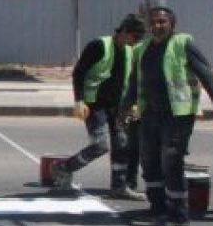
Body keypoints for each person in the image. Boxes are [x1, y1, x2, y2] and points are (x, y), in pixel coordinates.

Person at [123, 6, 213, 226]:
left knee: (171, 162)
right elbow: (135, 82)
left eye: (162, 22)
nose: (157, 26)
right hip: (149, 113)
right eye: (153, 22)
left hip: (178, 114)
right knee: (149, 161)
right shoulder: (141, 48)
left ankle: (179, 215)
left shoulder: (184, 43)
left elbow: (207, 76)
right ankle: (157, 208)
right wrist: (123, 108)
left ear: (172, 24)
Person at [52, 14, 147, 200]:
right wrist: (79, 100)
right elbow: (79, 73)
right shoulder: (99, 46)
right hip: (95, 104)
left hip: (117, 106)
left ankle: (119, 186)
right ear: (125, 32)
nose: (135, 44)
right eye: (134, 38)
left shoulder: (129, 51)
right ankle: (64, 168)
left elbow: (129, 79)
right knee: (100, 145)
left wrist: (132, 104)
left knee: (122, 144)